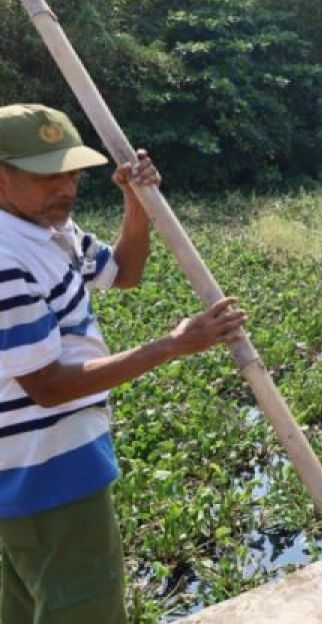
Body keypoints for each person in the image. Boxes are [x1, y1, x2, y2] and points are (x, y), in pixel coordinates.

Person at [0, 103, 246, 623]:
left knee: (29, 609)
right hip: (42, 474)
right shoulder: (6, 258)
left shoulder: (49, 230)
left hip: (50, 468)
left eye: (71, 171)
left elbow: (124, 270)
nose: (65, 186)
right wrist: (174, 344)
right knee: (83, 611)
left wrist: (135, 199)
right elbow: (45, 385)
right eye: (47, 175)